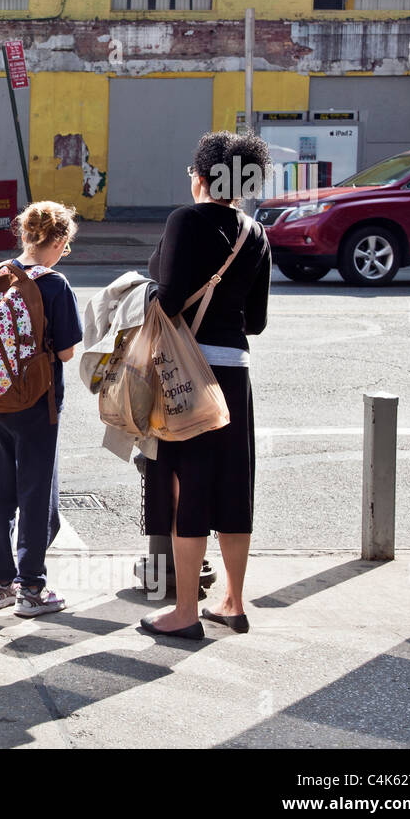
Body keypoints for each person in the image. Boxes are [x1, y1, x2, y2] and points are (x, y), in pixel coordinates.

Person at [140, 131, 272, 640]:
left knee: (186, 487)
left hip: (187, 375)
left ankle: (185, 612)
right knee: (234, 485)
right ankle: (234, 603)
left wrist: (150, 281)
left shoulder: (184, 220)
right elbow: (255, 321)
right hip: (235, 372)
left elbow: (167, 301)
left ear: (201, 174)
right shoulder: (255, 233)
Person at [0, 201, 83, 618]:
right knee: (37, 493)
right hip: (39, 403)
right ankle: (32, 589)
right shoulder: (55, 285)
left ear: (25, 235)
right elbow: (67, 351)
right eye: (66, 246)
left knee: (0, 492)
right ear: (57, 241)